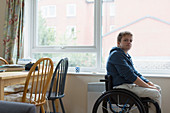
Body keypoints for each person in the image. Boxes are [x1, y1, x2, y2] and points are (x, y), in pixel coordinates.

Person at [106, 31, 161, 113]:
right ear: (118, 43)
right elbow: (130, 75)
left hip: (128, 86)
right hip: (121, 87)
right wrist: (148, 87)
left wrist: (149, 83)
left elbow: (135, 73)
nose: (129, 42)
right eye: (125, 40)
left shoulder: (126, 56)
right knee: (155, 93)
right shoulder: (116, 55)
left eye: (130, 41)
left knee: (157, 88)